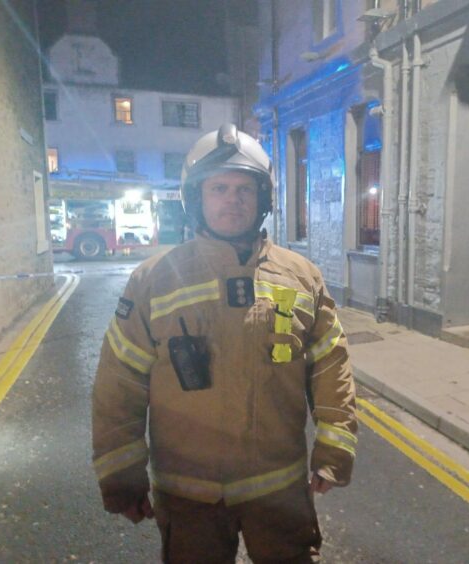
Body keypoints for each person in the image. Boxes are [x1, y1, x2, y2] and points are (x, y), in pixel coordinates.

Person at [92, 123, 358, 563]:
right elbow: (118, 384)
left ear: (262, 200)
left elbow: (332, 366)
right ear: (196, 198)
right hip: (189, 495)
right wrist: (122, 476)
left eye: (243, 189)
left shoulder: (302, 276)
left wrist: (334, 448)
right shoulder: (153, 281)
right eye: (218, 188)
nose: (232, 199)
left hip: (279, 490)